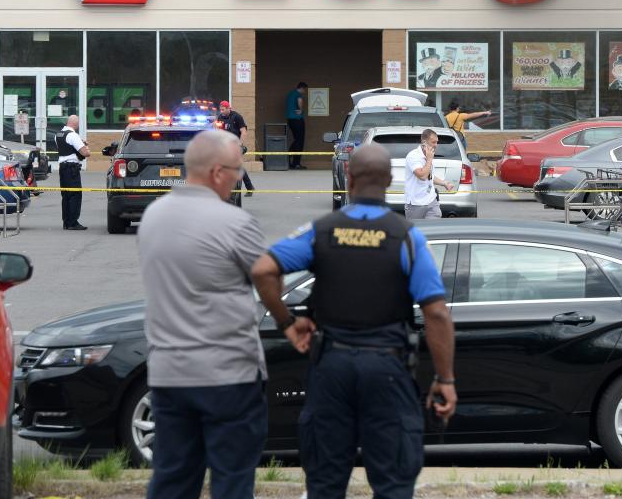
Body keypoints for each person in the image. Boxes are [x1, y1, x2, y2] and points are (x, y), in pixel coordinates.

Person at [252, 142, 456, 499]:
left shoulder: (322, 230)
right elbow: (436, 312)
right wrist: (445, 378)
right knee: (392, 482)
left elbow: (263, 269)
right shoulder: (406, 237)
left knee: (326, 482)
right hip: (387, 369)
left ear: (348, 176)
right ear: (390, 179)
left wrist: (287, 322)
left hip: (332, 367)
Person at [138, 130, 268, 499]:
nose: (239, 177)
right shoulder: (235, 223)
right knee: (233, 480)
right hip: (228, 376)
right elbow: (266, 276)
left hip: (169, 377)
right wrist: (288, 321)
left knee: (173, 479)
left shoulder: (153, 217)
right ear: (216, 172)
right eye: (237, 170)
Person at [404, 128, 455, 220]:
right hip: (416, 203)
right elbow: (422, 176)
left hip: (431, 201)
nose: (436, 145)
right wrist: (429, 159)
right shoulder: (413, 156)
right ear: (424, 142)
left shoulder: (428, 155)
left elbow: (429, 176)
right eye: (433, 142)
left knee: (435, 229)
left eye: (437, 142)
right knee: (416, 231)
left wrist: (444, 183)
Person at [55, 115, 90, 230]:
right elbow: (85, 153)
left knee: (65, 196)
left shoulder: (58, 135)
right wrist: (84, 145)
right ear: (75, 123)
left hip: (63, 168)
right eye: (78, 122)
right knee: (75, 195)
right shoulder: (73, 135)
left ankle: (66, 222)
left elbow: (66, 148)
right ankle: (73, 222)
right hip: (72, 169)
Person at [217, 100, 255, 196]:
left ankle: (246, 188)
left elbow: (243, 131)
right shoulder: (220, 117)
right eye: (220, 109)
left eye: (223, 109)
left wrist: (240, 144)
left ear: (229, 108)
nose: (221, 111)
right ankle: (249, 187)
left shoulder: (237, 117)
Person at [286, 81, 308, 169]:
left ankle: (288, 158)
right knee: (300, 141)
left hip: (290, 120)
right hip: (297, 119)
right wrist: (301, 109)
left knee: (296, 140)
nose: (305, 92)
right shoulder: (298, 95)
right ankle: (296, 163)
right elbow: (300, 102)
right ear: (302, 88)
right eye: (305, 90)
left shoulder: (290, 94)